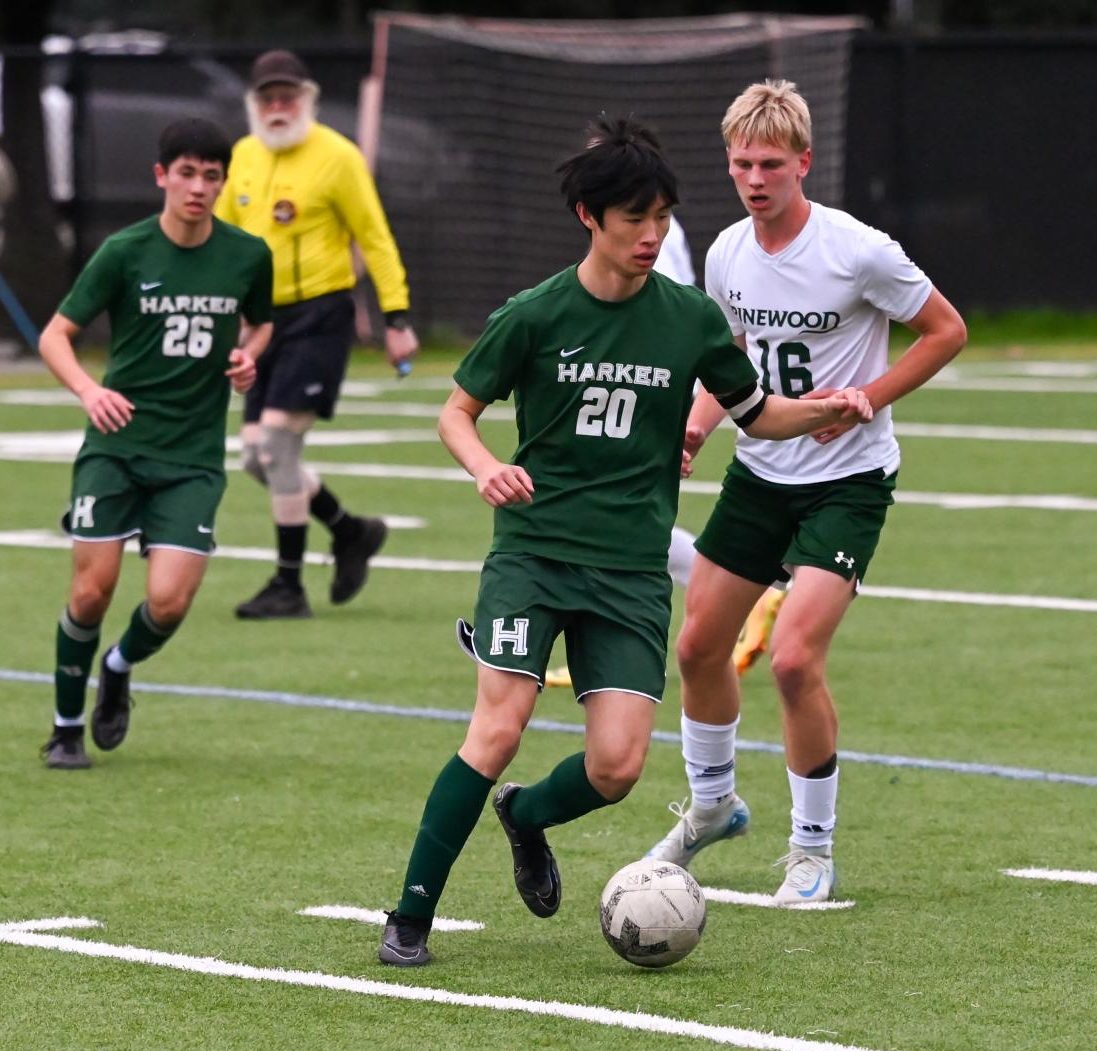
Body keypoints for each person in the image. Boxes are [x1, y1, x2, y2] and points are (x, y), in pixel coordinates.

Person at [377, 113, 873, 966]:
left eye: (661, 219)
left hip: (630, 573)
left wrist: (827, 407)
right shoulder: (534, 314)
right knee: (496, 729)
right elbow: (455, 413)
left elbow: (755, 413)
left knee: (616, 767)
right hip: (532, 555)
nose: (650, 236)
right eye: (632, 219)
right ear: (589, 220)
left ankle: (525, 816)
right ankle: (410, 915)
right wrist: (485, 466)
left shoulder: (689, 319)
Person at [646, 79, 967, 901]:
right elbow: (729, 364)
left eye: (770, 164)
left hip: (847, 483)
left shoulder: (856, 249)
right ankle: (712, 806)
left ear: (803, 164)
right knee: (695, 647)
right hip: (760, 474)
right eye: (740, 164)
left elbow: (945, 330)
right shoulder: (724, 254)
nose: (754, 179)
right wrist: (695, 423)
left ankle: (811, 849)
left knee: (791, 659)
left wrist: (871, 396)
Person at [39, 118, 273, 769]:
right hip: (115, 447)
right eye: (187, 173)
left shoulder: (248, 255)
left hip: (192, 456)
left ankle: (117, 666)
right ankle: (64, 728)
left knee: (168, 602)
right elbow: (55, 335)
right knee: (91, 592)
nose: (198, 187)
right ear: (161, 176)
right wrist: (90, 391)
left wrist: (247, 357)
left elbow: (259, 327)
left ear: (223, 181)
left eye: (211, 175)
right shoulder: (124, 251)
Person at [215, 49, 420, 620]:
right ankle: (349, 530)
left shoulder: (337, 157)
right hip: (263, 324)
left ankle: (288, 585)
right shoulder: (242, 157)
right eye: (267, 99)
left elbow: (375, 238)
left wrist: (397, 319)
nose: (278, 108)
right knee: (256, 458)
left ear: (306, 99)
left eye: (288, 97)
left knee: (278, 446)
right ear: (254, 105)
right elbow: (226, 242)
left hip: (319, 316)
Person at [543, 215, 784, 687]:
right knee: (609, 509)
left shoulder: (642, 223)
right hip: (641, 364)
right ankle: (601, 641)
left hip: (646, 367)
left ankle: (601, 643)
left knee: (607, 507)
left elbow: (654, 298)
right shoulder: (641, 218)